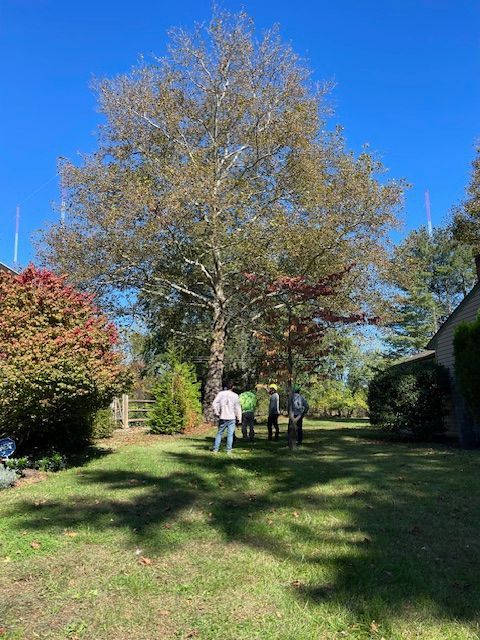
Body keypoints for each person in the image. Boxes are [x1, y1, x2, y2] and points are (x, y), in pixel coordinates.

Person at [212, 381, 242, 454]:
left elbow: (214, 403)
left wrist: (217, 412)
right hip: (231, 417)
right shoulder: (235, 395)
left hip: (223, 416)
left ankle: (215, 449)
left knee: (219, 433)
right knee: (230, 434)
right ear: (232, 387)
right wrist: (239, 417)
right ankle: (228, 450)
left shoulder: (220, 394)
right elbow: (237, 407)